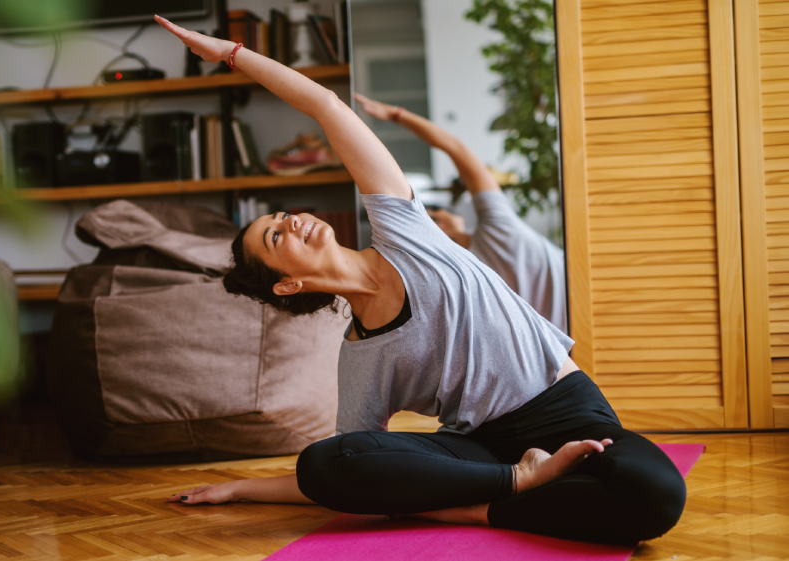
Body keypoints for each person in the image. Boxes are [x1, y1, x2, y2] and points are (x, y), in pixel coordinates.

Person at [154, 15, 686, 545]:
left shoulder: (401, 227)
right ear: (288, 285)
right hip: (482, 452)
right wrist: (242, 488)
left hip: (567, 410)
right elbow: (351, 467)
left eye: (279, 215)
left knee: (656, 495)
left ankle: (474, 509)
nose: (290, 219)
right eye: (276, 238)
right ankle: (516, 483)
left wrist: (230, 53)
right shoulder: (361, 360)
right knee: (323, 461)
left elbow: (325, 106)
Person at [354, 93, 567, 333]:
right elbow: (457, 149)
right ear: (442, 225)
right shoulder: (498, 230)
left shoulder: (460, 284)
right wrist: (396, 115)